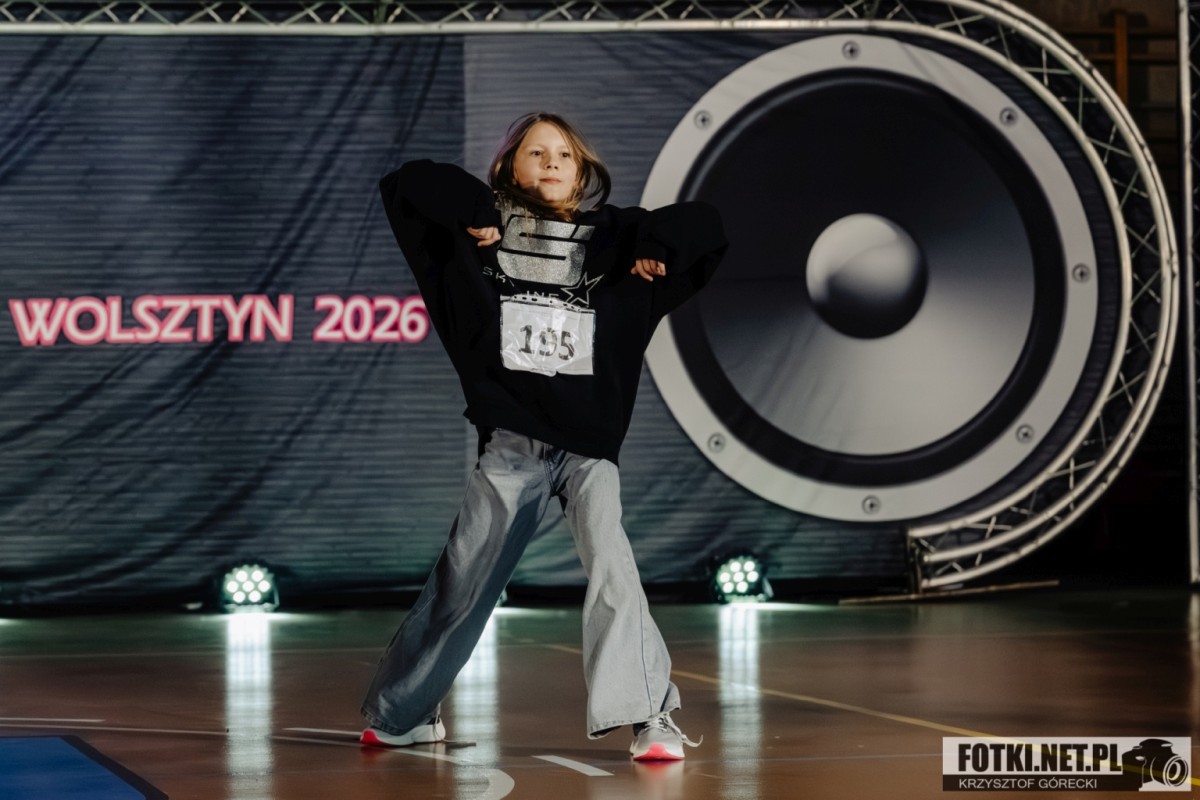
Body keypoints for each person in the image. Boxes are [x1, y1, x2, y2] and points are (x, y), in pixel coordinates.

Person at [360, 112, 727, 761]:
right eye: (536, 152)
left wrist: (658, 245)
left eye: (564, 153)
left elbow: (708, 226)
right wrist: (475, 208)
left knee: (612, 566)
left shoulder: (618, 241)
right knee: (466, 575)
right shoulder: (473, 241)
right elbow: (407, 184)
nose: (553, 161)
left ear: (581, 171)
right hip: (512, 441)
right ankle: (402, 713)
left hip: (590, 447)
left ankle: (650, 716)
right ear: (510, 168)